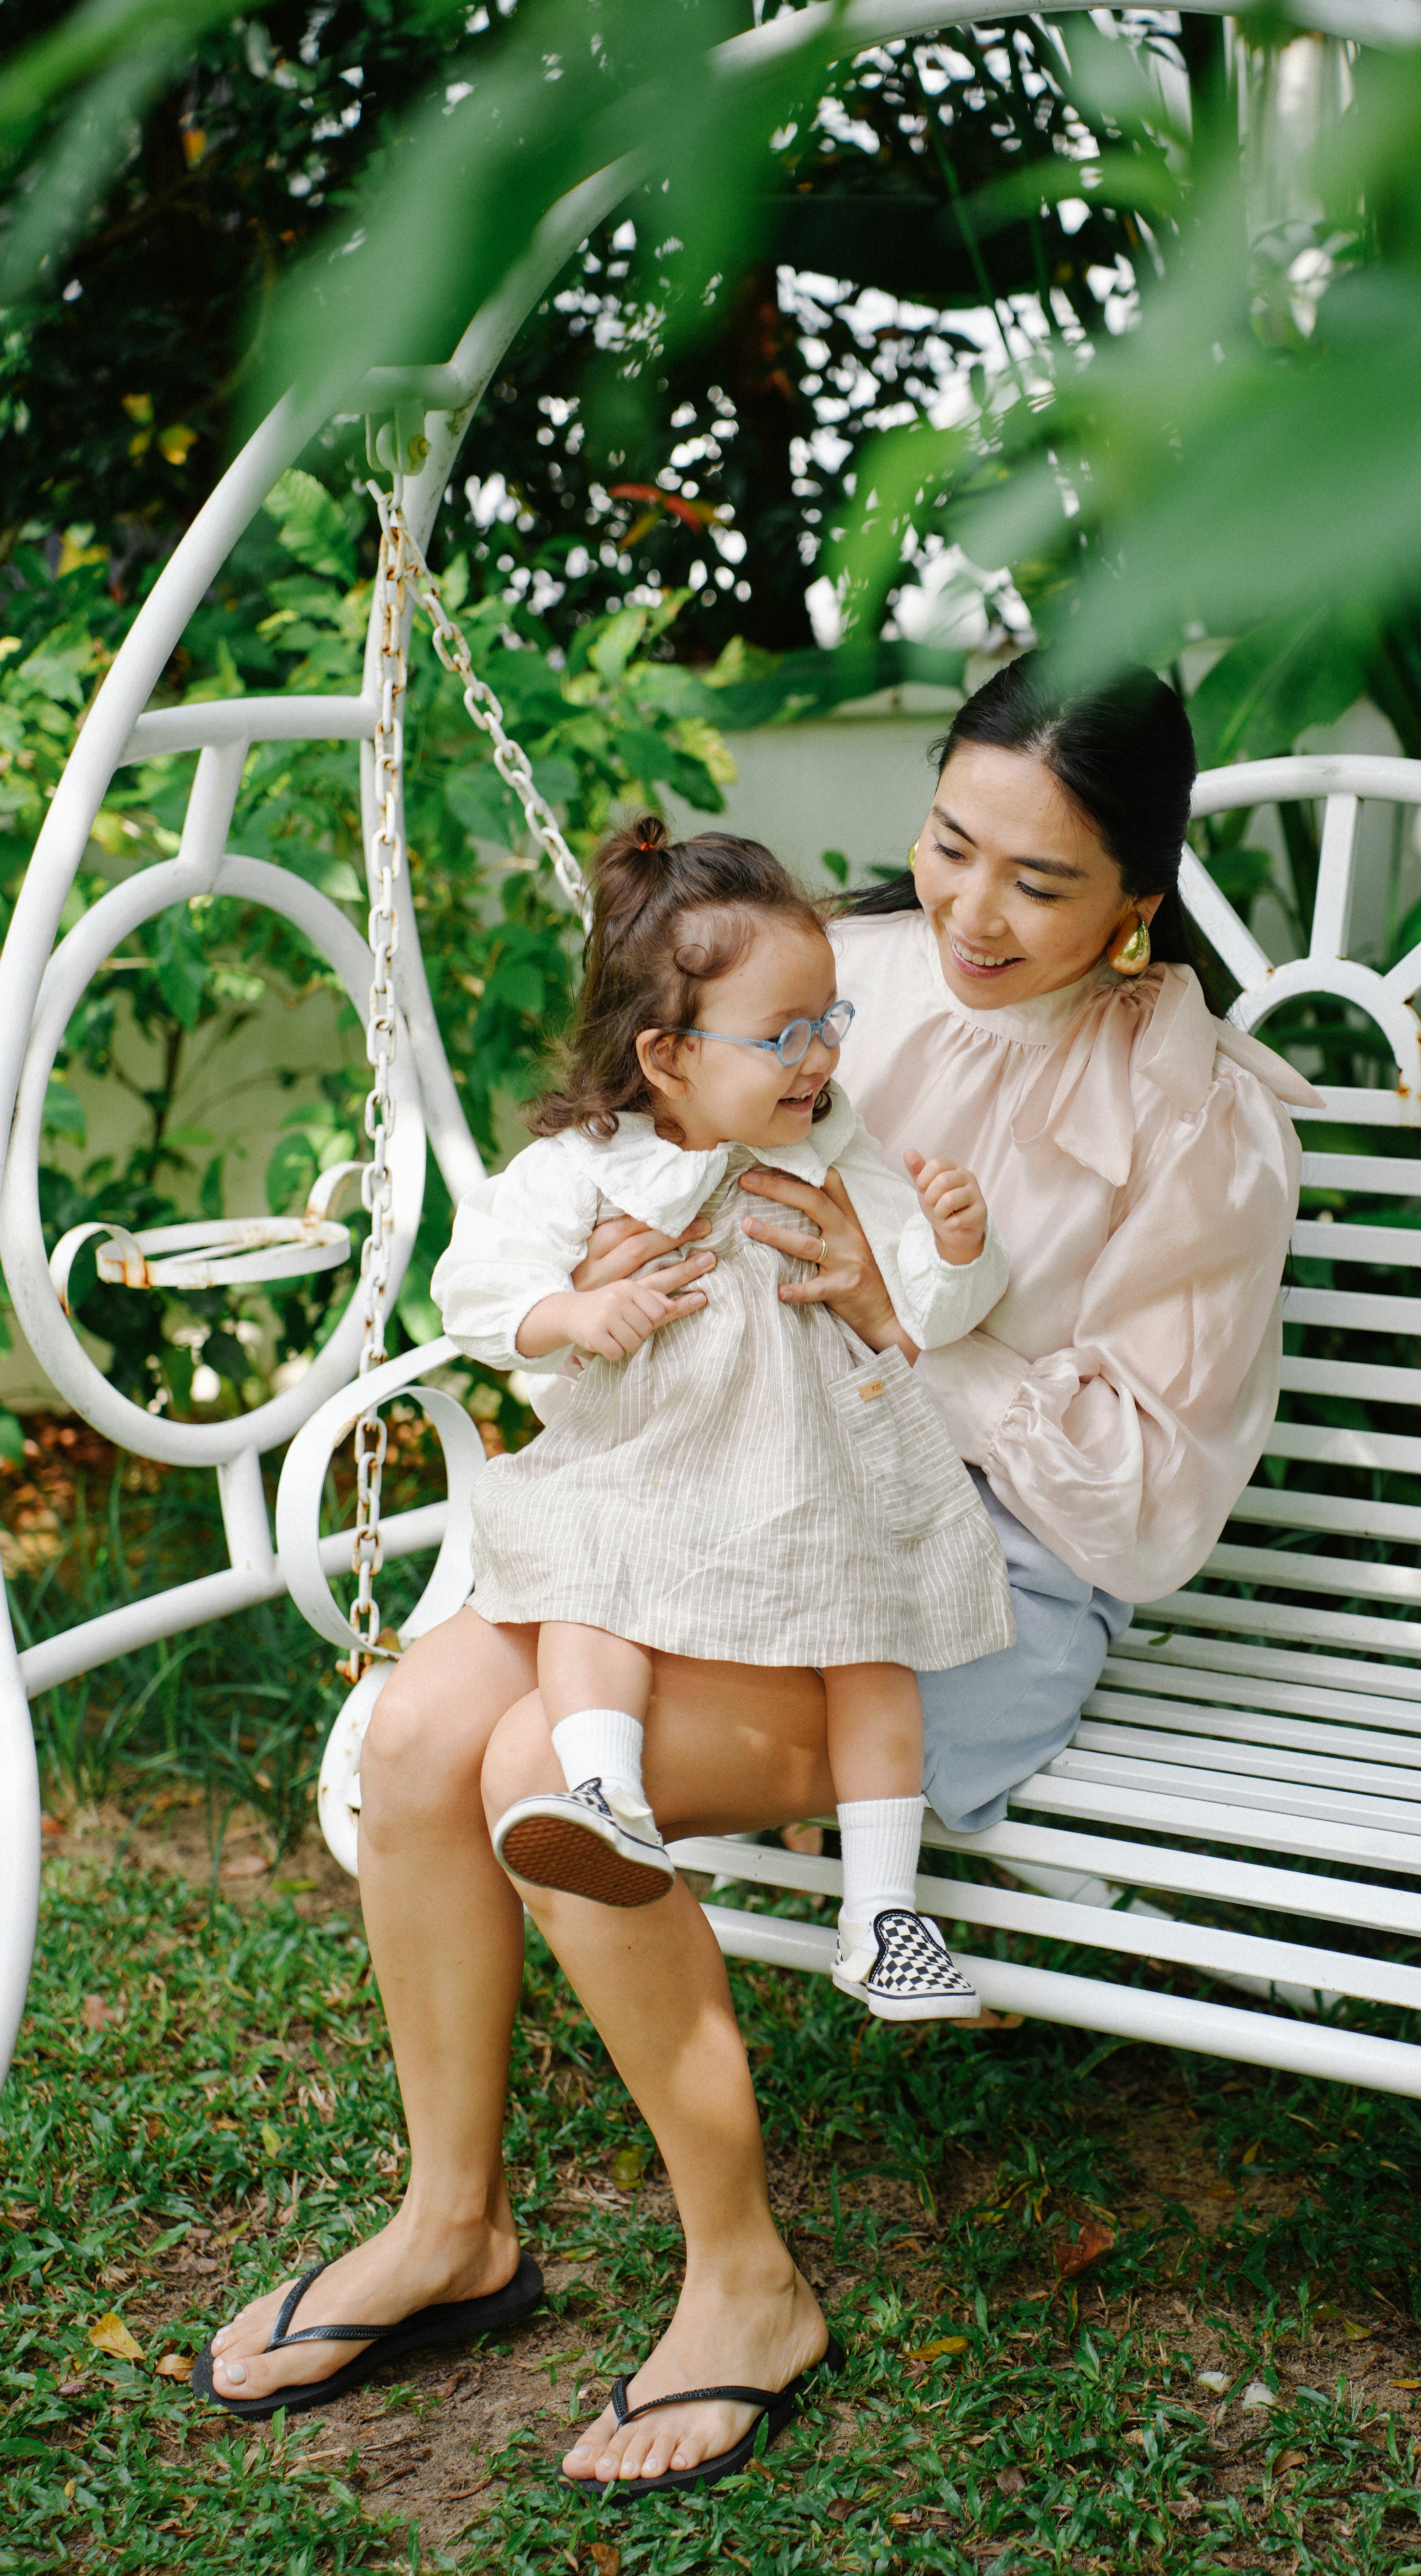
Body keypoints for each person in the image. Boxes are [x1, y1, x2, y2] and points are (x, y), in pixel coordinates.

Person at [196, 654, 1317, 2504]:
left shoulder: (1186, 1114)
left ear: (1139, 895)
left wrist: (905, 1333)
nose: (968, 913)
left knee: (541, 1770)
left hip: (978, 1574)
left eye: (1040, 887)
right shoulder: (836, 972)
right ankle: (452, 2222)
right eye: (950, 845)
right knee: (417, 1735)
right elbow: (630, 1146)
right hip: (718, 1501)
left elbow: (1141, 1507)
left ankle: (747, 2285)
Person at [430, 815, 1015, 2022]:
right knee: (593, 1580)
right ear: (668, 1057)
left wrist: (961, 1251)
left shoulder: (836, 1150)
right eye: (785, 1035)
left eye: (831, 1022)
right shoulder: (589, 1171)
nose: (820, 1057)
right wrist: (565, 1315)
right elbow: (472, 1286)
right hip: (654, 1463)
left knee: (874, 1644)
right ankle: (604, 1797)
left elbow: (922, 1302)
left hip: (816, 1466)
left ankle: (885, 1914)